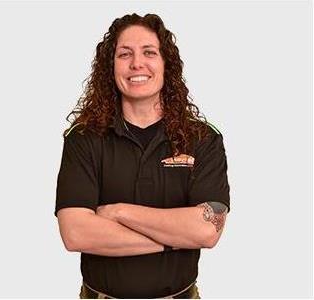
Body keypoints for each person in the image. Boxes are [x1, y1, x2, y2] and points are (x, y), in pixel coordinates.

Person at [55, 13, 230, 299]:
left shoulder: (203, 139)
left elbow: (207, 229)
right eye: (125, 54)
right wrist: (175, 239)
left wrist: (119, 212)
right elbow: (75, 233)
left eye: (149, 52)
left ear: (166, 65)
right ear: (110, 67)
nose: (137, 63)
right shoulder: (83, 138)